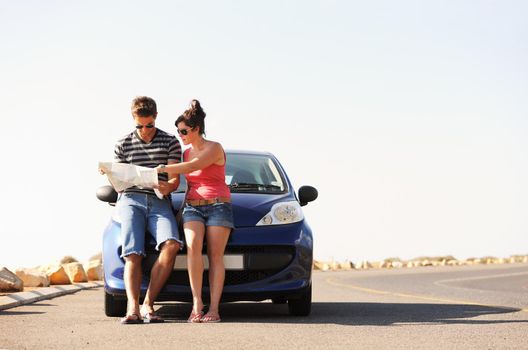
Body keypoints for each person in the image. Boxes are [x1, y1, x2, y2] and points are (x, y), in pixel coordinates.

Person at [102, 96, 183, 324]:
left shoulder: (170, 142)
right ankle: (132, 308)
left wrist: (171, 185)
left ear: (156, 117)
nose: (145, 131)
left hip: (159, 200)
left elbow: (175, 178)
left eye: (149, 125)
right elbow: (118, 183)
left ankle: (148, 303)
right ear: (133, 119)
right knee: (133, 253)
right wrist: (110, 174)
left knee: (172, 245)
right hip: (130, 199)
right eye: (140, 126)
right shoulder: (122, 144)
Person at [157, 99, 234, 323]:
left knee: (215, 256)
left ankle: (215, 309)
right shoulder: (185, 153)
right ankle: (197, 303)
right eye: (178, 131)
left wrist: (162, 167)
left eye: (183, 131)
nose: (180, 135)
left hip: (218, 205)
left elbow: (192, 168)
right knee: (192, 249)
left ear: (196, 129)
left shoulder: (215, 148)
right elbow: (188, 181)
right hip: (193, 206)